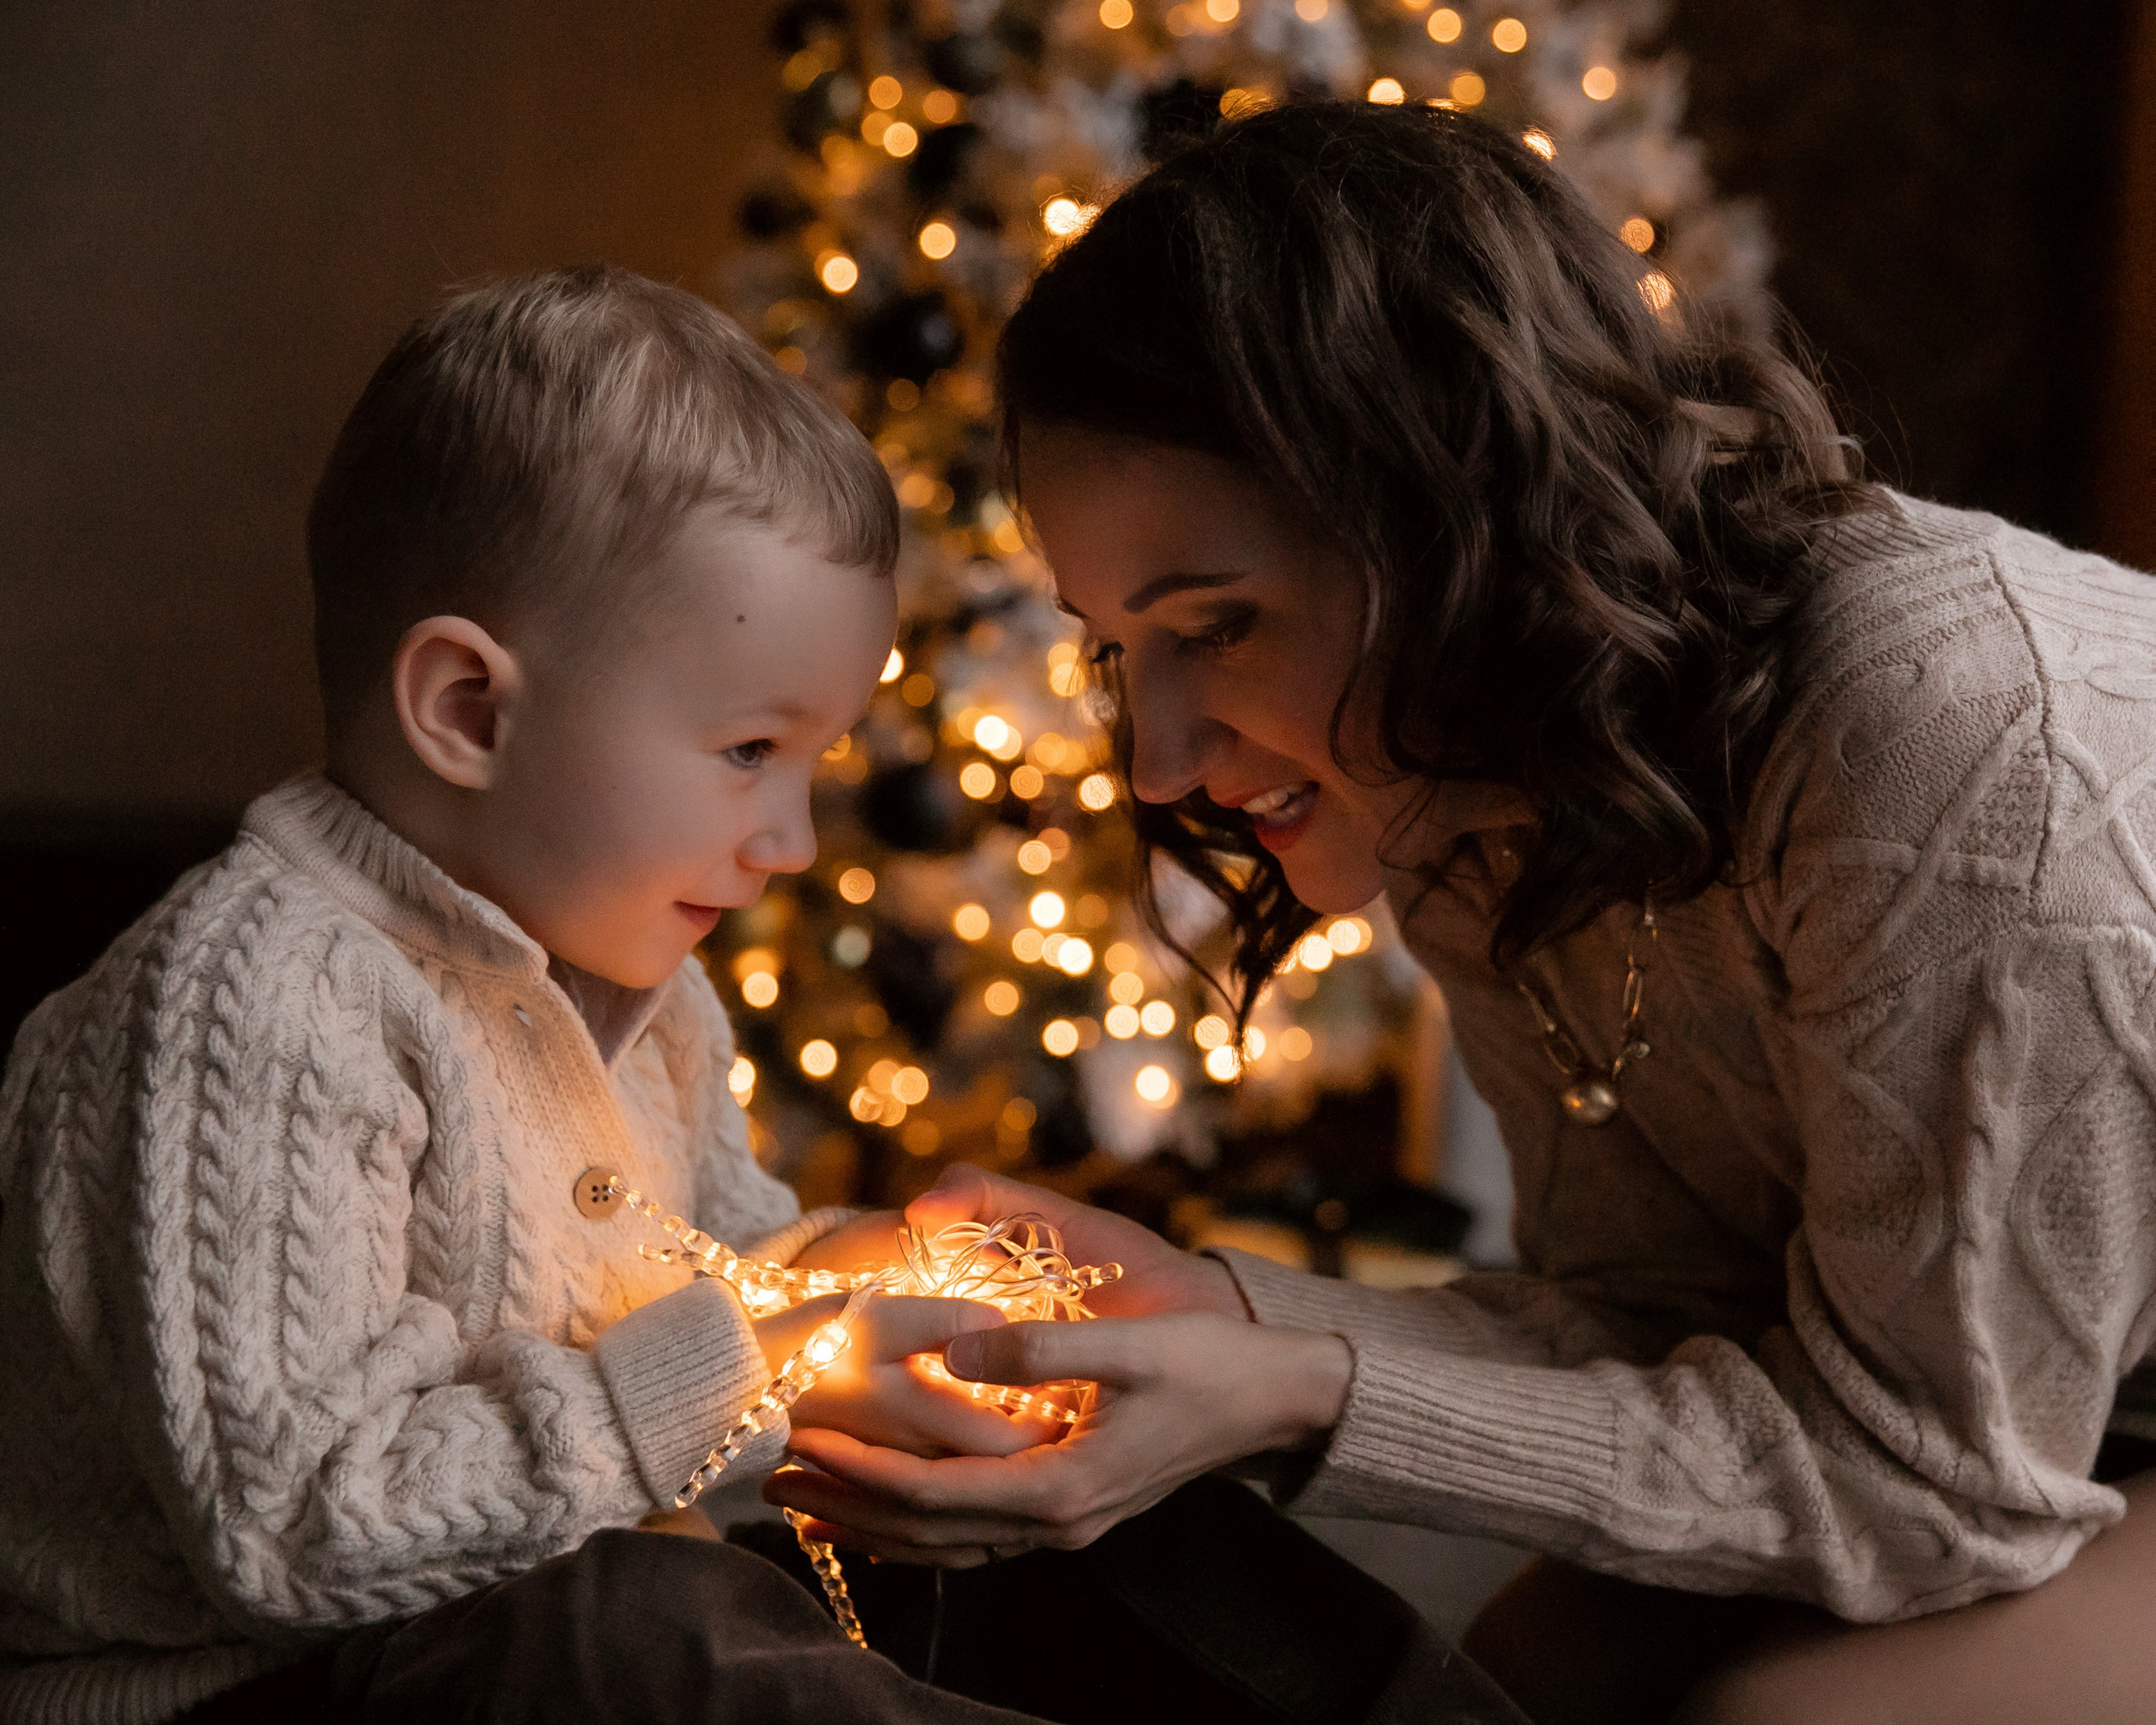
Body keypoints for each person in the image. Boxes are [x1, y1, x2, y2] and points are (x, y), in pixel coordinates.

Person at [765, 103, 2156, 1723]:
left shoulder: (1956, 741)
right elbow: (1662, 1318)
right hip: (2021, 1410)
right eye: (1114, 647)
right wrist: (1206, 1307)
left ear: (1453, 526)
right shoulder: (1477, 772)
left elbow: (1940, 1487)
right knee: (1483, 1693)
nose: (1157, 760)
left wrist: (1294, 1396)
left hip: (2011, 1442)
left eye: (1213, 627)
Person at [0, 266, 1039, 1723]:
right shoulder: (251, 1007)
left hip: (523, 1614)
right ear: (470, 711)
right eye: (751, 750)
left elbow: (708, 1284)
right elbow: (296, 1539)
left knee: (990, 1559)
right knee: (648, 1634)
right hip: (240, 1683)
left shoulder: (643, 988)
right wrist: (749, 1368)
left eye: (817, 765)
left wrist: (844, 1280)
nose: (791, 840)